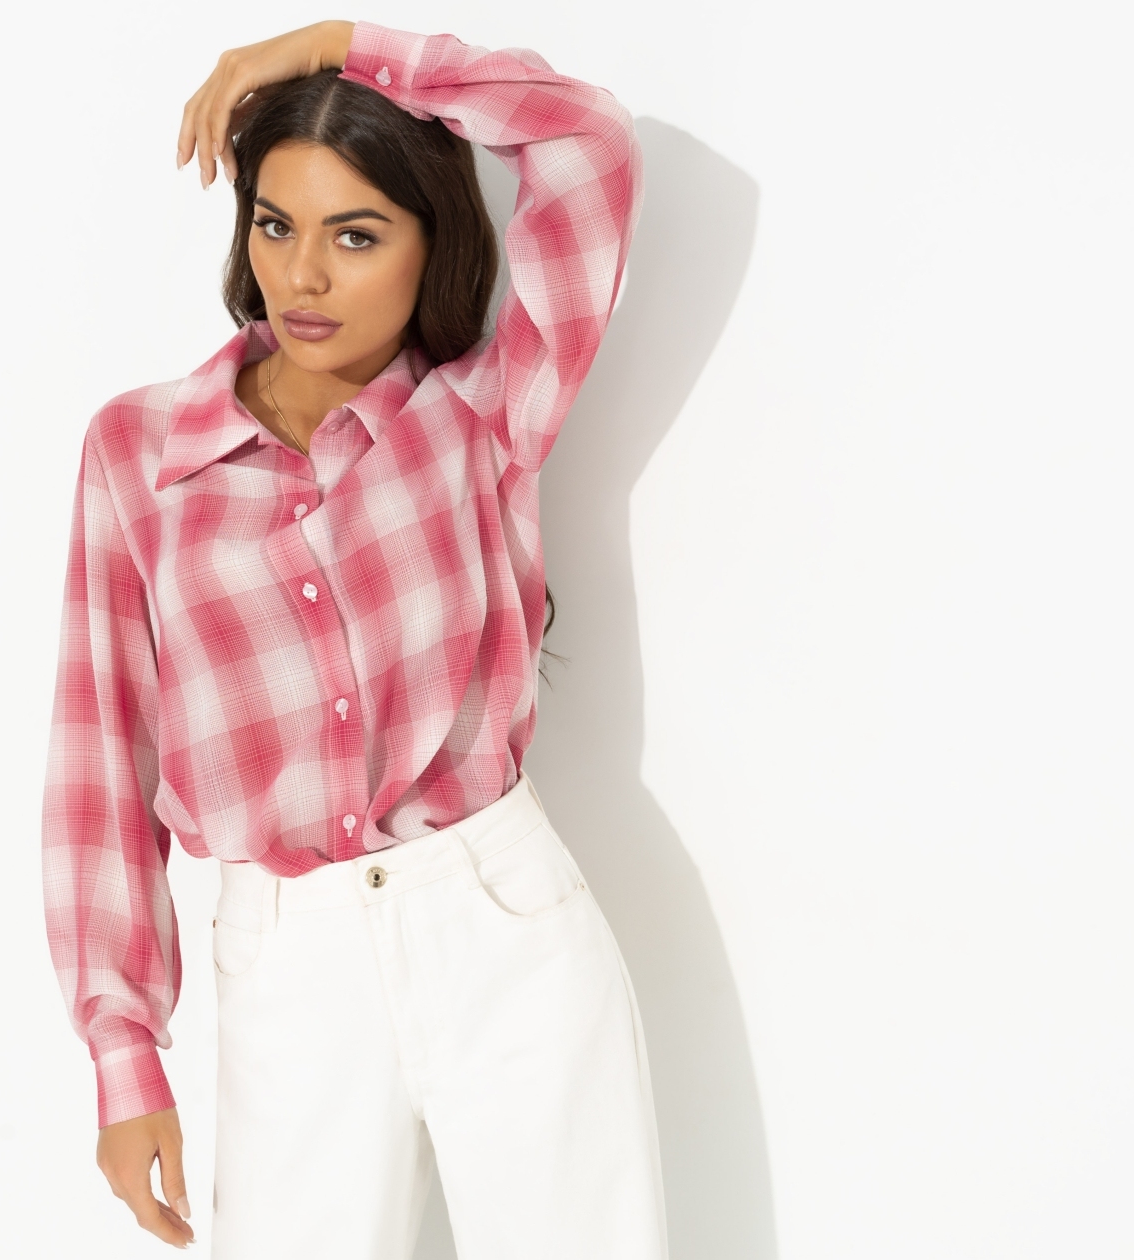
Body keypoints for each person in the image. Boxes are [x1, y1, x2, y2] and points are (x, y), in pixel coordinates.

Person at [41, 16, 665, 1260]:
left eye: (357, 234)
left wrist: (334, 44)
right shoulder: (138, 454)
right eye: (276, 225)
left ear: (435, 243)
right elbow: (100, 760)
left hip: (503, 921)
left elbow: (589, 140)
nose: (304, 277)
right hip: (287, 958)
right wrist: (124, 1052)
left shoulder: (484, 414)